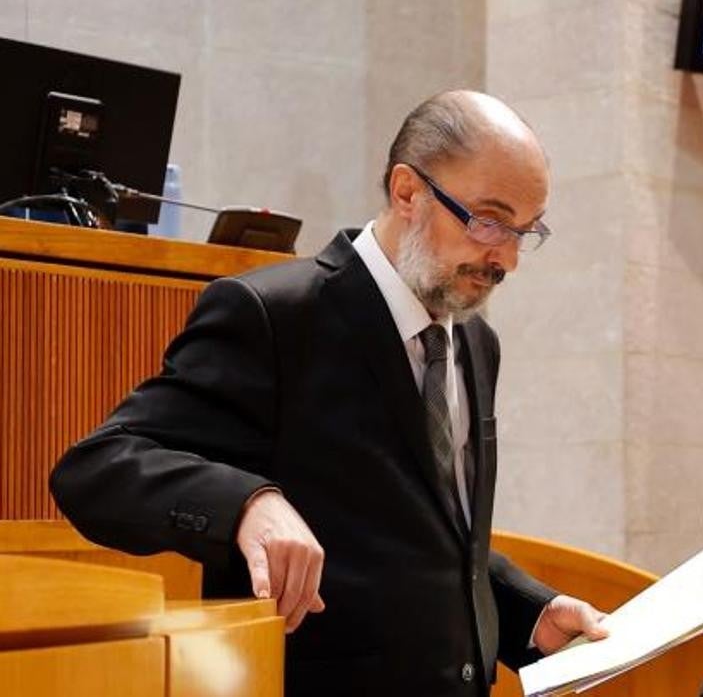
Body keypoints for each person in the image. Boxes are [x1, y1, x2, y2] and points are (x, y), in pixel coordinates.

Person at [50, 90, 606, 696]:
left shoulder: (476, 343)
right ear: (408, 192)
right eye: (489, 220)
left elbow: (423, 538)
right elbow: (96, 469)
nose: (507, 259)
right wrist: (246, 503)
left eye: (525, 231)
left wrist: (529, 614)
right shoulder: (273, 315)